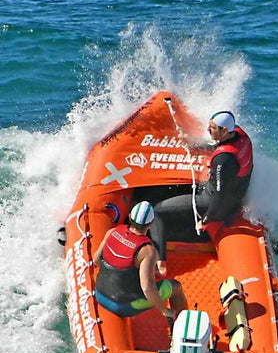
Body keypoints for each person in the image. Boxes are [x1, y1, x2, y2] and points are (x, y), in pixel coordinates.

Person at [151, 110, 254, 268]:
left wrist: (206, 220)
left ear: (225, 130)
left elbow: (219, 195)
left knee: (157, 210)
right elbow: (221, 147)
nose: (208, 130)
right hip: (234, 193)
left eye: (212, 127)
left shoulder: (223, 161)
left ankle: (160, 261)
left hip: (213, 201)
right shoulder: (240, 134)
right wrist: (194, 144)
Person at [93, 201, 187, 322]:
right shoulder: (148, 251)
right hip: (124, 306)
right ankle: (180, 322)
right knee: (176, 287)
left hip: (100, 294)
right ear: (151, 223)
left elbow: (96, 259)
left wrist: (117, 277)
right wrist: (165, 310)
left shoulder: (112, 232)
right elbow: (147, 287)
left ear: (130, 217)